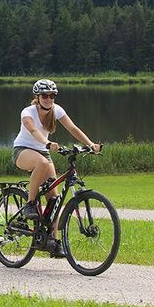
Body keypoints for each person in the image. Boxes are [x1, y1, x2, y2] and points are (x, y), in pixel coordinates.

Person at [13, 79, 101, 257]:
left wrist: (91, 144)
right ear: (37, 97)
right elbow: (34, 131)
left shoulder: (57, 110)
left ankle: (54, 242)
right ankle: (30, 204)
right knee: (42, 163)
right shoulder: (28, 112)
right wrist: (47, 142)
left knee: (54, 200)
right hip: (23, 150)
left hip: (43, 152)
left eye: (52, 96)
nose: (49, 99)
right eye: (45, 95)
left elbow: (73, 128)